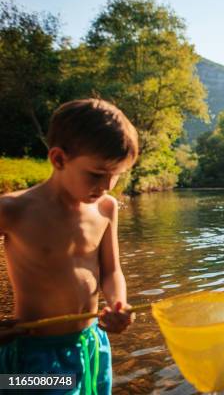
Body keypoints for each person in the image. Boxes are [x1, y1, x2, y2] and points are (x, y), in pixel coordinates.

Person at [0, 98, 139, 394]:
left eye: (116, 175)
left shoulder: (106, 208)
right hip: (35, 352)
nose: (107, 185)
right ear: (59, 159)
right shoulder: (14, 210)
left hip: (91, 345)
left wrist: (118, 303)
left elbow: (111, 271)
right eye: (97, 174)